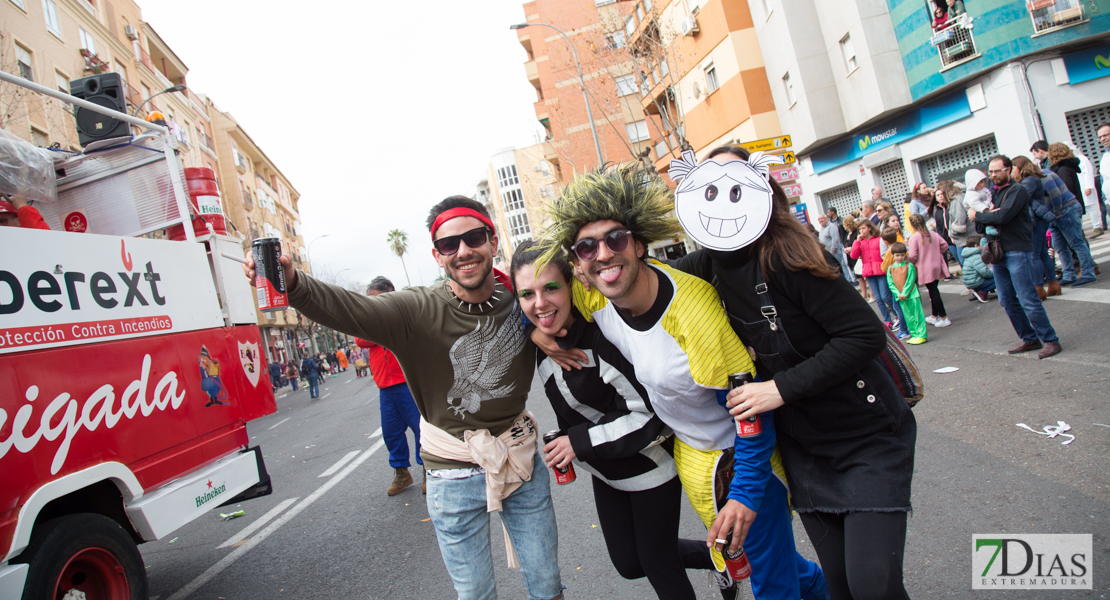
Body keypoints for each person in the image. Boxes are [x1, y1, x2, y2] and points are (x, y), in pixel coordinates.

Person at [534, 162, 827, 600]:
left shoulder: (694, 313)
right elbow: (530, 296)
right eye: (586, 248)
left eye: (615, 239)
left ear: (639, 243)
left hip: (741, 462)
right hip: (691, 457)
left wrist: (746, 494)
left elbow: (750, 411)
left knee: (771, 584)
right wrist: (538, 331)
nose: (602, 255)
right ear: (577, 262)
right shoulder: (594, 293)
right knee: (773, 566)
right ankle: (818, 585)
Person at [246, 197, 563, 600]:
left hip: (520, 463)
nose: (464, 251)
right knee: (476, 596)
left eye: (474, 237)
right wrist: (292, 283)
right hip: (451, 475)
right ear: (437, 255)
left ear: (493, 241)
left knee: (547, 585)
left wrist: (539, 333)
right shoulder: (416, 308)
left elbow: (573, 302)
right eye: (450, 245)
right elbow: (350, 309)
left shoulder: (521, 300)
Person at [661, 146, 916, 600]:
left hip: (866, 437)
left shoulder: (787, 255)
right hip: (805, 447)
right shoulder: (708, 264)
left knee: (873, 585)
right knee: (839, 584)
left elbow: (863, 336)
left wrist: (778, 388)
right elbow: (644, 284)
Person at [510, 240, 721, 600]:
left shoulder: (601, 337)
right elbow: (492, 301)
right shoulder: (537, 339)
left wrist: (578, 441)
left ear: (571, 285)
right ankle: (716, 559)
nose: (540, 304)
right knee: (629, 564)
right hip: (607, 472)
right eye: (527, 294)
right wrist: (532, 331)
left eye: (550, 288)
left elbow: (648, 417)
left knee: (658, 563)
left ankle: (719, 562)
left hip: (650, 465)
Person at [969, 155, 1062, 359]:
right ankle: (1029, 338)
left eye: (997, 171)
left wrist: (981, 215)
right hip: (997, 252)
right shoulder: (991, 193)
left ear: (1008, 170)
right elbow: (978, 224)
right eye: (991, 172)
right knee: (1006, 300)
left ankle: (1050, 340)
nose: (993, 175)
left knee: (1028, 298)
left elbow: (1003, 216)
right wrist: (984, 216)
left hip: (1017, 249)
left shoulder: (1017, 190)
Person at [354, 276, 425, 497]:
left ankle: (429, 470)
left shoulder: (401, 314)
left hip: (408, 384)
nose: (374, 305)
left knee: (420, 429)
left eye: (379, 299)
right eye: (371, 300)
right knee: (391, 433)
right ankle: (402, 473)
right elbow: (360, 340)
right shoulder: (370, 321)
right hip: (385, 387)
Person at [1044, 148, 1098, 287]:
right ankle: (1070, 274)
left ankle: (1088, 272)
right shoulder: (1057, 170)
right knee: (1061, 245)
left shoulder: (1057, 171)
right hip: (1058, 212)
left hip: (1064, 210)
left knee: (1076, 242)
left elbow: (1057, 194)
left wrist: (1056, 212)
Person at [1010, 156, 1059, 299]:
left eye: (1013, 167)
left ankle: (1038, 288)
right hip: (1039, 220)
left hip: (1036, 221)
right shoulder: (1031, 179)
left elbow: (1020, 199)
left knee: (1035, 255)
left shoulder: (1029, 181)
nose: (1011, 171)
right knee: (1042, 254)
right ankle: (1052, 284)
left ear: (1020, 167)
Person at [850, 220, 899, 330]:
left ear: (869, 228)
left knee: (885, 296)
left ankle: (897, 316)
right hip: (869, 272)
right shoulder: (860, 242)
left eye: (863, 228)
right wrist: (857, 241)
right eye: (860, 229)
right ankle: (887, 320)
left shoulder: (878, 239)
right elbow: (853, 255)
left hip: (881, 271)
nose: (861, 231)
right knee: (878, 298)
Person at [907, 213, 951, 328]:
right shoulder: (932, 234)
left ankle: (944, 317)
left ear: (912, 225)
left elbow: (912, 255)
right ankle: (934, 315)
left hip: (924, 267)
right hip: (936, 264)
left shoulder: (914, 237)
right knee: (933, 289)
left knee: (933, 291)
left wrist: (912, 262)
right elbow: (945, 246)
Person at [886, 242, 927, 344]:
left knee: (917, 315)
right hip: (901, 297)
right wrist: (897, 293)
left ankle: (921, 334)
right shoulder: (890, 268)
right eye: (897, 255)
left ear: (905, 254)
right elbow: (890, 283)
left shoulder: (909, 266)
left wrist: (904, 293)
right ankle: (914, 333)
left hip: (912, 295)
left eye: (902, 255)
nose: (900, 257)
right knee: (908, 317)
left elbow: (910, 280)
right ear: (893, 255)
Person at [940, 180, 970, 267]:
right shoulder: (956, 199)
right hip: (963, 239)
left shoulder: (957, 199)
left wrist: (953, 232)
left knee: (965, 264)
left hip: (964, 239)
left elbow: (960, 219)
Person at [818, 214, 855, 284]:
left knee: (842, 267)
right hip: (828, 253)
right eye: (819, 219)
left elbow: (835, 240)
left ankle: (849, 281)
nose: (820, 220)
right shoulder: (822, 228)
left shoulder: (831, 226)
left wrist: (832, 251)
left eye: (821, 218)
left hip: (834, 252)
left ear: (826, 219)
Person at [844, 216, 873, 302]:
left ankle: (872, 295)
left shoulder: (856, 233)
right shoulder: (848, 234)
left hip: (859, 258)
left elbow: (857, 244)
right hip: (851, 257)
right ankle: (864, 295)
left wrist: (851, 249)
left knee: (866, 278)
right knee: (859, 278)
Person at [961, 234, 996, 303]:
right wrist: (993, 273)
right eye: (982, 244)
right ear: (976, 246)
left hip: (971, 282)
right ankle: (982, 292)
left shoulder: (969, 255)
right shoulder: (977, 257)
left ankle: (977, 291)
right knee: (999, 278)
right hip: (976, 282)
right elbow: (984, 272)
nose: (984, 246)